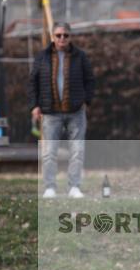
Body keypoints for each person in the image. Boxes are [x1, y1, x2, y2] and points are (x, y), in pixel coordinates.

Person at [29, 22, 95, 199]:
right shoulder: (42, 57)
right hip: (50, 113)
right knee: (49, 152)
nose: (62, 38)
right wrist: (34, 105)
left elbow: (90, 80)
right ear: (53, 36)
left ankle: (74, 187)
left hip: (76, 112)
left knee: (77, 151)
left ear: (70, 37)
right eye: (58, 35)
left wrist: (86, 101)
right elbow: (33, 82)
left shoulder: (80, 57)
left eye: (66, 35)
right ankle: (50, 187)